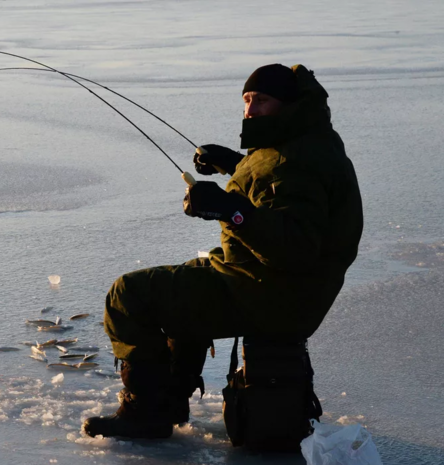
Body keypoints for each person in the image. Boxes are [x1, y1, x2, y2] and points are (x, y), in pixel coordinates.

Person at [82, 64, 363, 439]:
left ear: (288, 105)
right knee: (183, 285)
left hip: (270, 293)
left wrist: (230, 209)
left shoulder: (294, 162)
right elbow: (273, 184)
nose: (250, 110)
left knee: (129, 294)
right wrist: (234, 163)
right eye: (247, 100)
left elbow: (294, 249)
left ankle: (147, 413)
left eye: (261, 101)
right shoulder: (307, 139)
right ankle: (168, 400)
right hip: (276, 286)